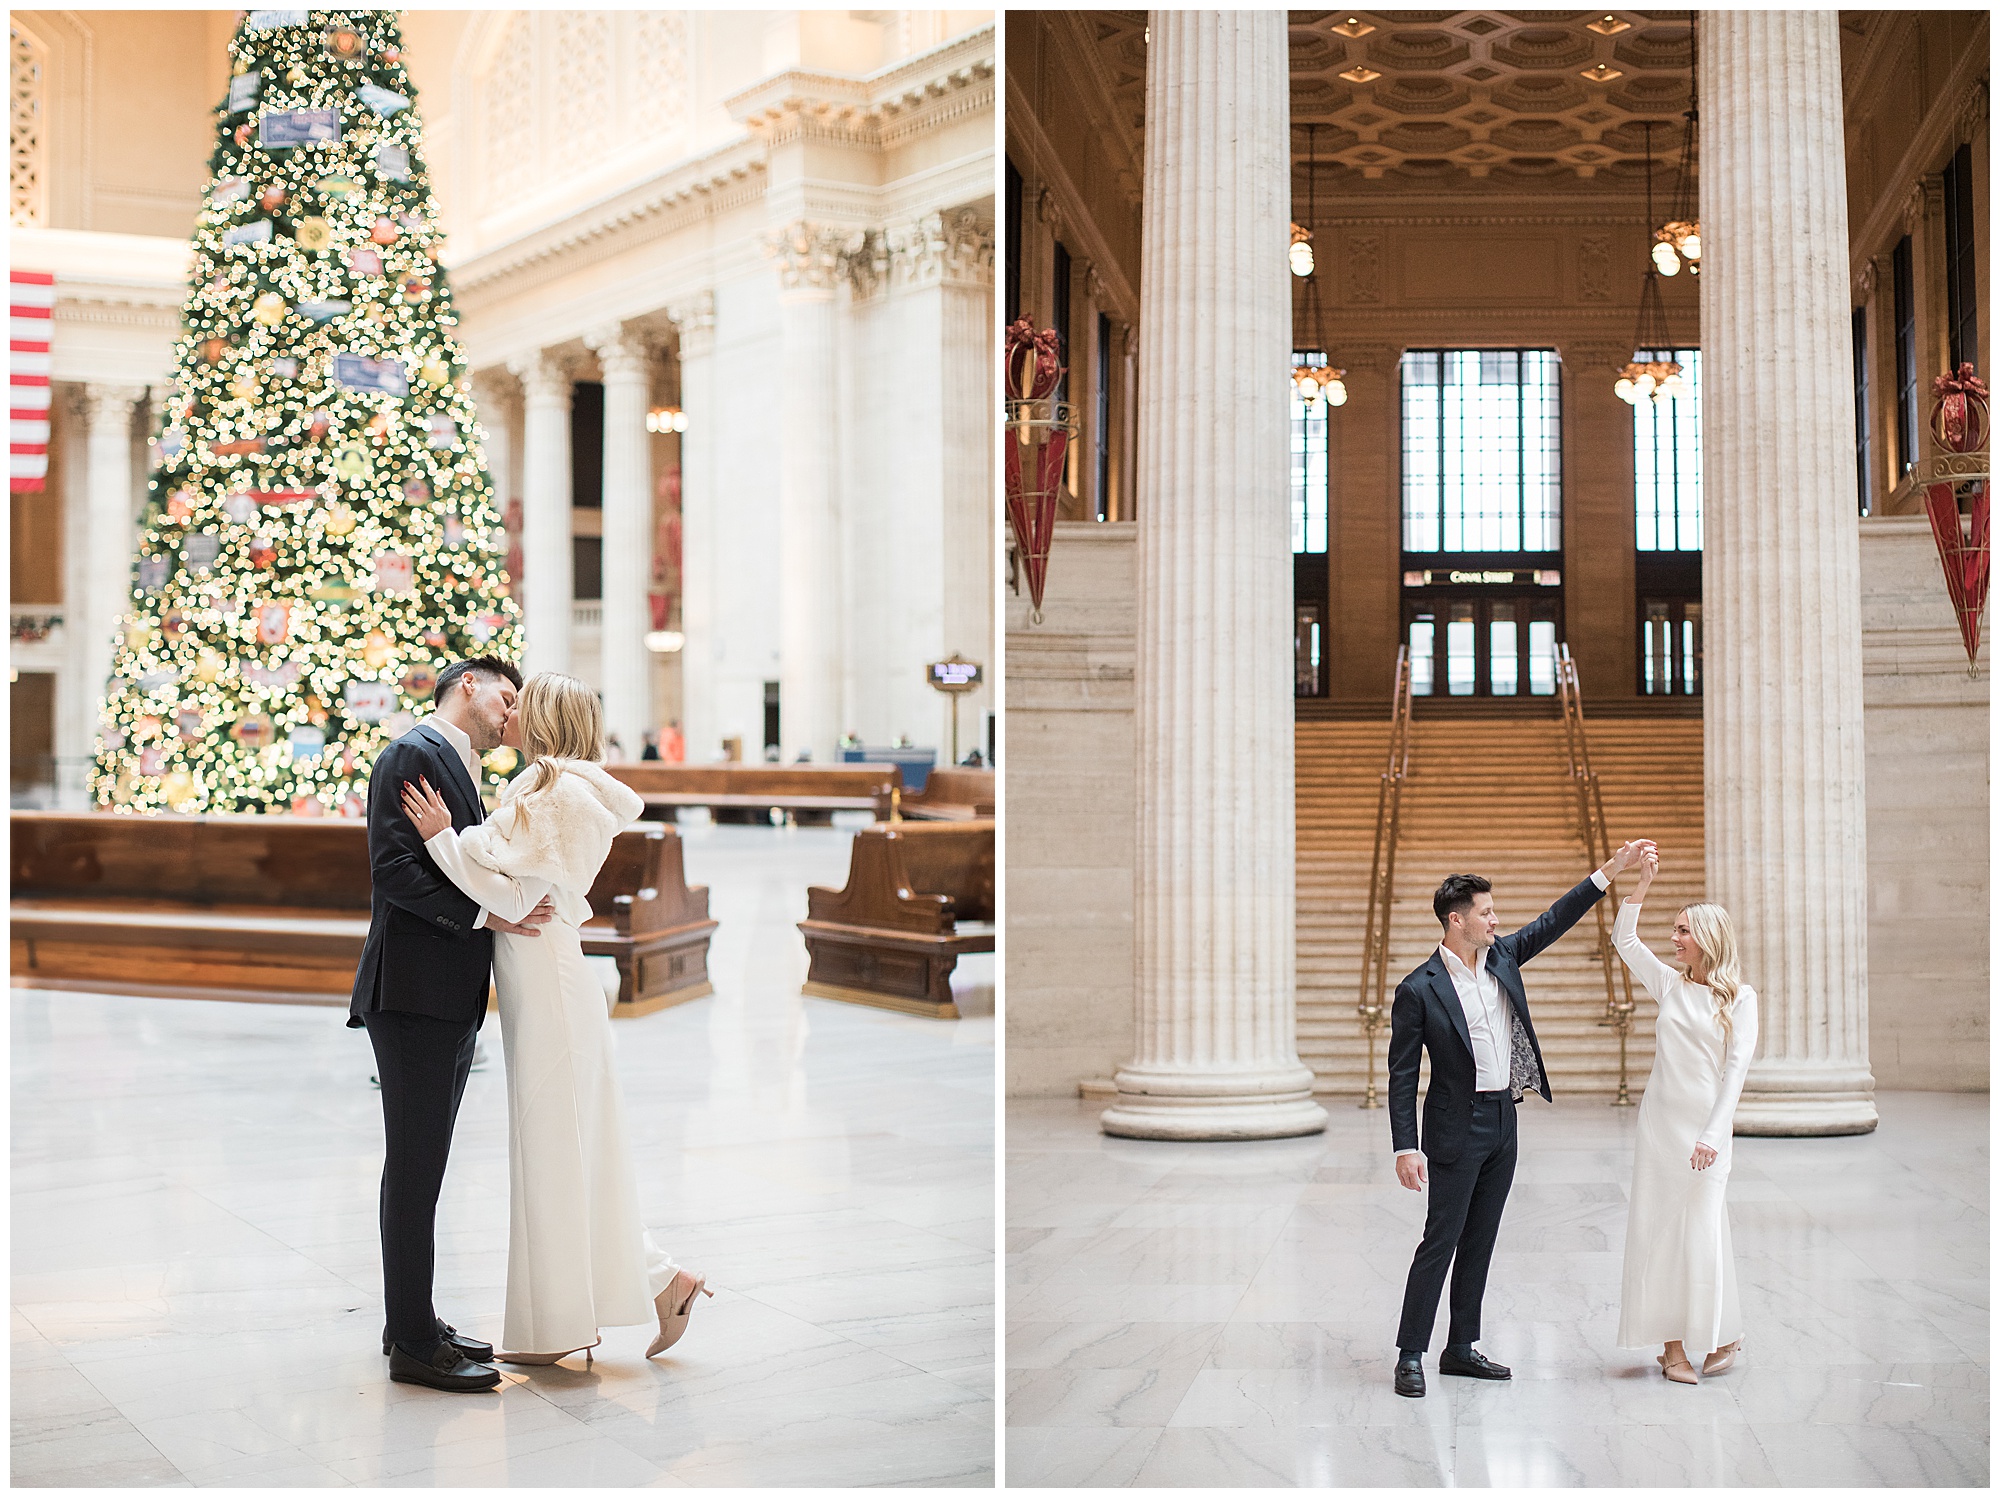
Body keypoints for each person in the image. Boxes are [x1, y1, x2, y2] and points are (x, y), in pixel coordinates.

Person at [400, 671, 711, 1364]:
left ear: (543, 718)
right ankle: (660, 1284)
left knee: (552, 1151)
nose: (507, 710)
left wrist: (444, 839)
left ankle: (560, 1328)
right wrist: (460, 849)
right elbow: (509, 887)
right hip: (539, 979)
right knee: (564, 1152)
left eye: (521, 702)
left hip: (551, 986)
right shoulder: (544, 788)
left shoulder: (559, 794)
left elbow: (512, 893)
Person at [350, 656, 556, 1393]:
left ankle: (412, 1320)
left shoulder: (459, 762)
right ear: (469, 683)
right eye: (507, 696)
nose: (512, 713)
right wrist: (485, 915)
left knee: (423, 1166)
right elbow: (394, 871)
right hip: (412, 994)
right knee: (414, 1169)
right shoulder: (414, 752)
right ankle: (412, 1343)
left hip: (442, 993)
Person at [1387, 840, 1655, 1398]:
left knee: (1481, 1240)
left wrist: (1612, 869)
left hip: (1503, 1121)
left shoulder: (1504, 958)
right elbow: (1402, 1073)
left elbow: (1556, 918)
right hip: (1454, 1128)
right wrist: (1405, 1146)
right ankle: (1410, 1354)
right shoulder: (1418, 989)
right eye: (1486, 912)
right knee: (1440, 1240)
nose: (1495, 920)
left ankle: (1460, 1348)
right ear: (1457, 920)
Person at [1611, 849, 1758, 1383]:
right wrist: (1642, 882)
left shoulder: (1741, 998)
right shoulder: (1669, 984)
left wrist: (1713, 1135)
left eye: (1683, 931)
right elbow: (1625, 941)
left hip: (1707, 1129)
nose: (1673, 939)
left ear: (1708, 938)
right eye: (1674, 929)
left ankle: (1723, 1333)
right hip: (1661, 1126)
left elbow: (1735, 1072)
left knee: (1703, 1232)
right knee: (1659, 1230)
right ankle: (1671, 1348)